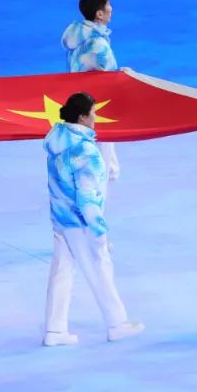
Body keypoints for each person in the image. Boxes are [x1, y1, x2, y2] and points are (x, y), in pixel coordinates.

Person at [42, 92, 144, 346]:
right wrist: (98, 228)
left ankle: (55, 330)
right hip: (81, 223)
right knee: (99, 268)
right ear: (82, 117)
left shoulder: (56, 139)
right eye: (93, 113)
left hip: (61, 219)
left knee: (62, 271)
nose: (96, 118)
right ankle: (116, 324)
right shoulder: (86, 152)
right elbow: (87, 196)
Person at [62, 0, 120, 195]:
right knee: (100, 165)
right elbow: (110, 74)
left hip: (79, 103)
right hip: (95, 108)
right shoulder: (97, 44)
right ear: (99, 13)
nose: (112, 9)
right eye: (108, 4)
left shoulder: (77, 37)